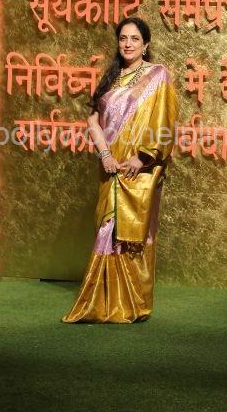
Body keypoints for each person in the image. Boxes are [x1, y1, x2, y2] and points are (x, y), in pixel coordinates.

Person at [62, 17, 178, 324]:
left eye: (135, 39)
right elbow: (92, 121)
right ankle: (103, 303)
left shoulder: (158, 75)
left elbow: (165, 121)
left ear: (146, 44)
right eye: (123, 38)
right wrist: (104, 155)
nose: (128, 44)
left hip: (140, 170)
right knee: (108, 230)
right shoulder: (111, 77)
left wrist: (143, 158)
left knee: (135, 235)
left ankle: (133, 305)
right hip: (110, 167)